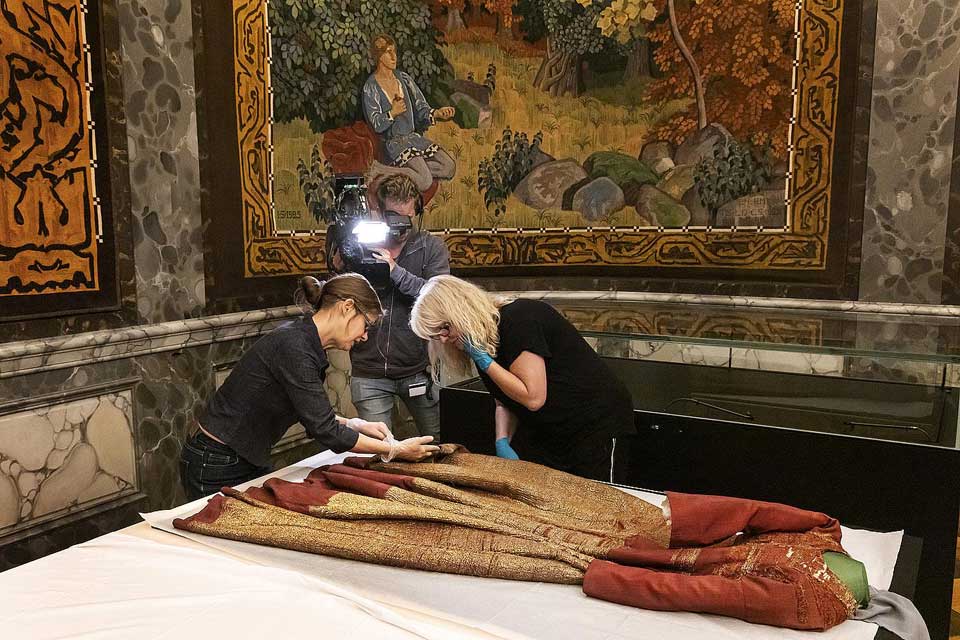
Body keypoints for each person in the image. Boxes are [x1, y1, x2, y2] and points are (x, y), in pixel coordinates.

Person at [179, 273, 439, 500]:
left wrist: (355, 424)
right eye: (366, 325)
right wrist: (396, 449)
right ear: (347, 307)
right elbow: (326, 431)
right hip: (216, 460)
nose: (365, 336)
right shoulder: (295, 346)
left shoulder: (306, 343)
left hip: (239, 457)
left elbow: (311, 414)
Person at [410, 275, 636, 481]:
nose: (443, 339)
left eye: (445, 328)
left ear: (459, 311)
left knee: (600, 502)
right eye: (435, 335)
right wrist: (502, 440)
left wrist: (485, 361)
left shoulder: (519, 320)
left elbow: (532, 397)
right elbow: (504, 399)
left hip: (594, 425)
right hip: (552, 429)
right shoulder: (483, 339)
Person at [346, 174, 450, 440]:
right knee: (378, 452)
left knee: (439, 443)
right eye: (392, 216)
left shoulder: (431, 247)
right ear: (379, 211)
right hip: (368, 370)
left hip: (417, 368)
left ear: (417, 211)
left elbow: (438, 299)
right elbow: (343, 295)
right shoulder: (361, 244)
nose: (400, 226)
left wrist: (394, 270)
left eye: (406, 217)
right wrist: (343, 260)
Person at [362, 33, 456, 192]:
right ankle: (380, 169)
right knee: (425, 181)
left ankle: (392, 171)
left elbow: (421, 107)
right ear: (378, 56)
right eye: (388, 52)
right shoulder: (371, 87)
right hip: (395, 144)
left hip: (414, 139)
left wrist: (437, 113)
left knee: (449, 167)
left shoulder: (403, 78)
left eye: (394, 51)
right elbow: (377, 124)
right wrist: (392, 113)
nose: (393, 56)